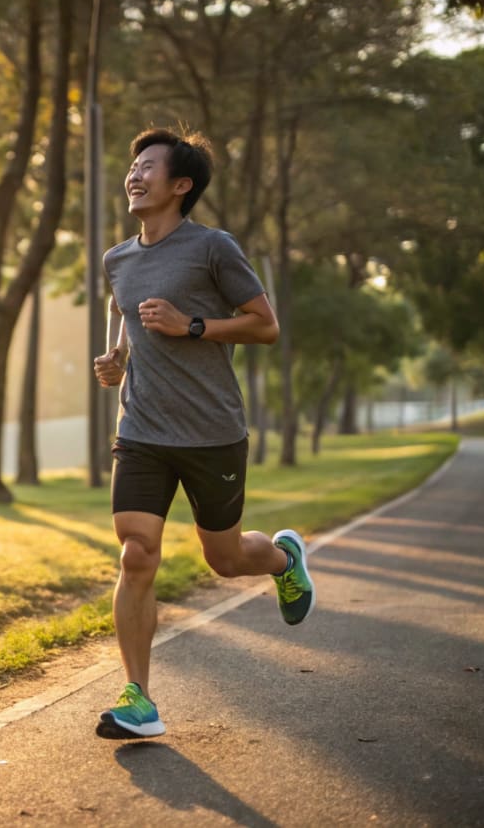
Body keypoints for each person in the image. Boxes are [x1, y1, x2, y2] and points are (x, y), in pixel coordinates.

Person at [92, 126, 315, 740]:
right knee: (136, 553)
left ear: (181, 184)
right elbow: (127, 322)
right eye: (132, 166)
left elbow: (264, 326)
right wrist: (116, 362)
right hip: (141, 430)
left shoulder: (212, 247)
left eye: (148, 167)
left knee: (225, 558)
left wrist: (192, 326)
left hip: (212, 431)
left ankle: (280, 557)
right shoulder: (119, 258)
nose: (134, 175)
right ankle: (139, 698)